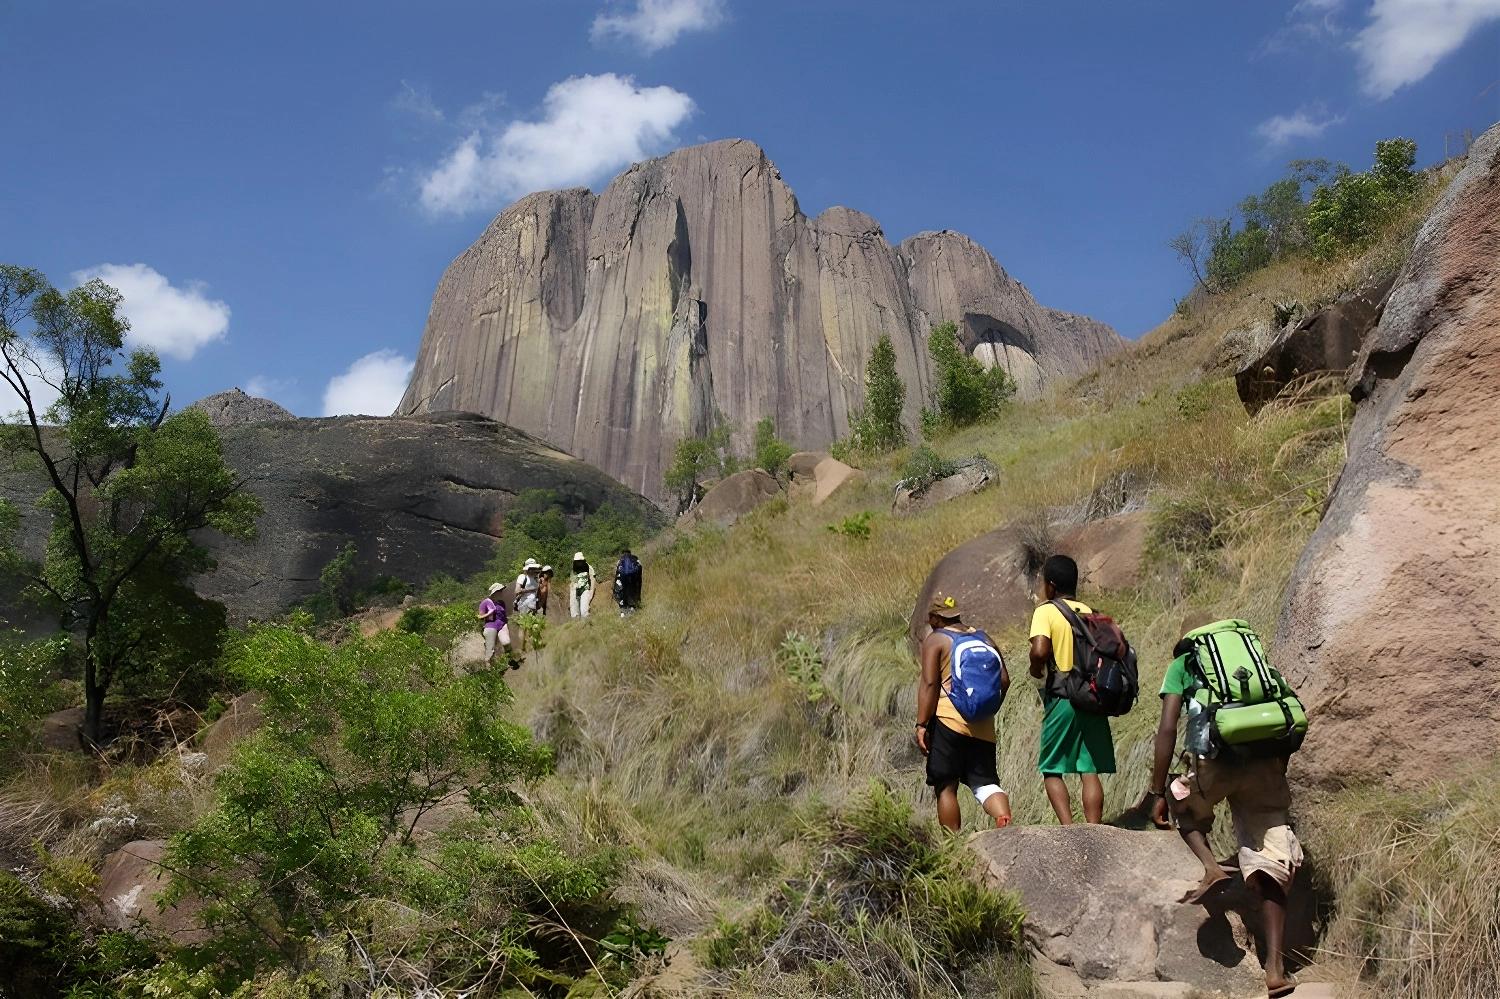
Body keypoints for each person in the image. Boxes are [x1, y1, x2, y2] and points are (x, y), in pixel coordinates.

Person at [1146, 621, 1304, 998]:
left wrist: (1157, 791)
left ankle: (1212, 867)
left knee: (1183, 801)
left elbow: (1168, 727)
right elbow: (1283, 704)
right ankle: (1276, 970)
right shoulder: (1251, 655)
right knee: (1272, 860)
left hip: (1213, 760)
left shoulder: (1185, 661)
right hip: (1263, 762)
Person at [1028, 554, 1116, 825]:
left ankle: (1069, 830)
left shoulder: (1046, 610)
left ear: (1051, 586)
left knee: (1052, 768)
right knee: (1088, 769)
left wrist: (1035, 668)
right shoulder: (1091, 612)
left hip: (1063, 697)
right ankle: (1094, 829)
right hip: (1093, 696)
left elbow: (1041, 649)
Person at [914, 595, 1012, 832]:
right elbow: (1005, 680)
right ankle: (1004, 820)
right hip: (983, 724)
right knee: (986, 783)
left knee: (946, 785)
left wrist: (922, 724)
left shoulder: (936, 640)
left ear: (936, 618)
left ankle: (953, 845)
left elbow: (929, 684)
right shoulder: (983, 637)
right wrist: (988, 710)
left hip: (949, 721)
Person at [476, 582, 516, 668]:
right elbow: (480, 617)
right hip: (490, 626)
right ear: (495, 593)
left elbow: (503, 615)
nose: (502, 593)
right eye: (500, 591)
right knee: (491, 650)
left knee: (506, 642)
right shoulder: (486, 603)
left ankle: (510, 659)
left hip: (502, 625)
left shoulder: (501, 603)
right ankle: (489, 670)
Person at [512, 558, 542, 650]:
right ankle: (522, 648)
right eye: (531, 568)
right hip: (524, 604)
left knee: (534, 626)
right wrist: (531, 590)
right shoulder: (522, 577)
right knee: (523, 627)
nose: (533, 570)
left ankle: (533, 647)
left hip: (533, 605)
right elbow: (517, 591)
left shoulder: (535, 578)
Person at [614, 548, 643, 615]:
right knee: (633, 590)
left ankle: (625, 606)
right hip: (634, 577)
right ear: (630, 552)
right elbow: (640, 567)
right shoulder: (635, 558)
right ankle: (634, 606)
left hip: (623, 578)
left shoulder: (620, 559)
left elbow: (617, 571)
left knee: (624, 590)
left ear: (623, 553)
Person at [569, 552, 596, 619]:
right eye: (577, 561)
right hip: (575, 589)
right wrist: (571, 591)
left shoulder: (588, 567)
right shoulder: (574, 568)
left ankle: (585, 623)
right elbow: (572, 581)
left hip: (585, 589)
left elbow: (592, 579)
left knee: (584, 612)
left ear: (583, 560)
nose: (578, 562)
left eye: (580, 561)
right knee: (574, 613)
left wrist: (591, 592)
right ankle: (575, 623)